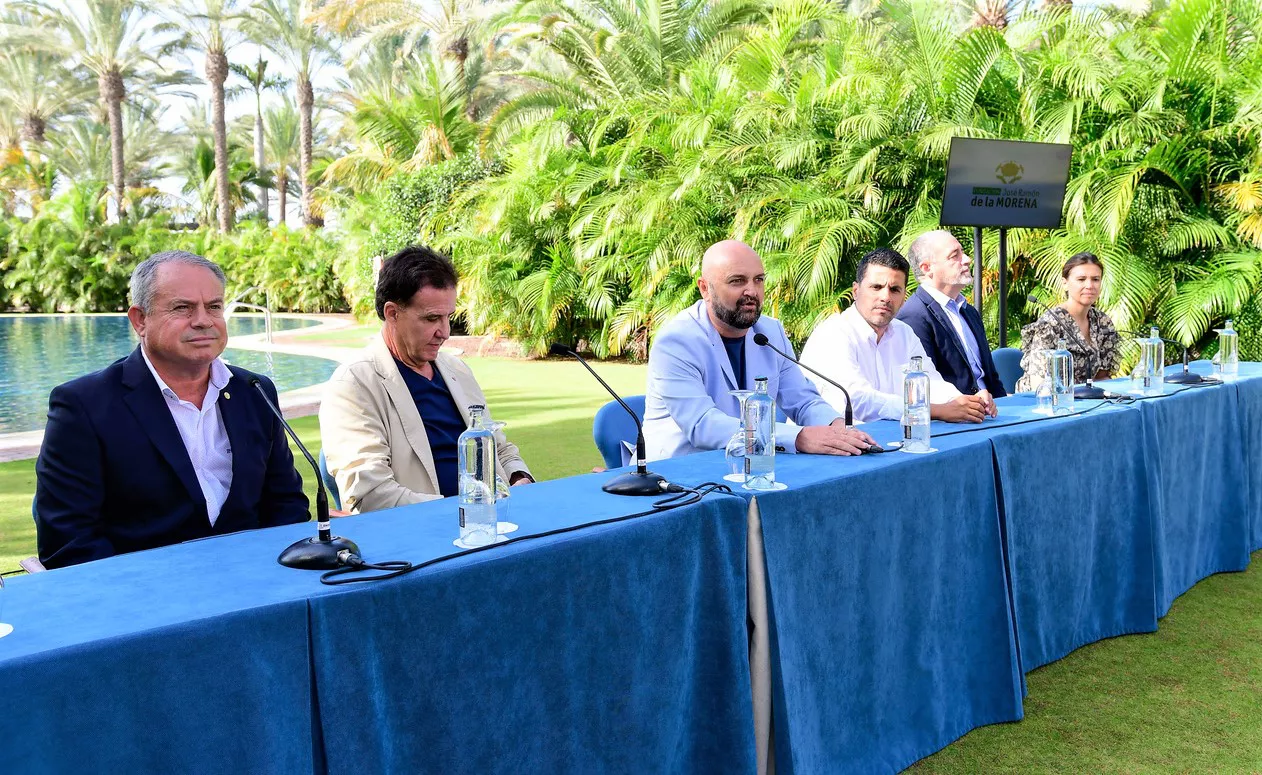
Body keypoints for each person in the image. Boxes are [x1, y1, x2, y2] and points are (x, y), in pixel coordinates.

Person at [34, 251, 310, 569]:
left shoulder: (255, 391)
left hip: (256, 583)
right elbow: (70, 543)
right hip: (145, 601)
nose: (203, 320)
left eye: (214, 306)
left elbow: (287, 505)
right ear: (140, 320)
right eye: (183, 307)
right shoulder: (84, 406)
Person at [319, 245, 533, 514]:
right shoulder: (353, 384)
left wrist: (519, 478)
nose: (444, 332)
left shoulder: (457, 370)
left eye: (448, 317)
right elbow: (369, 495)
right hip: (422, 538)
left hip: (492, 521)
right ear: (392, 314)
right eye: (432, 318)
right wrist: (466, 508)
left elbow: (499, 448)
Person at [643, 240, 877, 460]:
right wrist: (798, 437)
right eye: (737, 281)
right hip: (680, 475)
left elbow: (803, 400)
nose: (752, 291)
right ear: (705, 289)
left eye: (759, 280)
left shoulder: (770, 332)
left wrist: (836, 427)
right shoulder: (677, 341)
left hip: (753, 464)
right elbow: (702, 425)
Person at [799, 248, 996, 423]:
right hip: (831, 449)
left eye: (894, 290)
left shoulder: (904, 333)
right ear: (856, 291)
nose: (885, 297)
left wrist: (966, 403)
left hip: (886, 443)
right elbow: (858, 401)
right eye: (876, 287)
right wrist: (937, 411)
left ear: (903, 298)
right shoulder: (833, 333)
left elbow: (931, 383)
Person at [897, 230, 1007, 400]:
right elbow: (927, 385)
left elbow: (991, 377)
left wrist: (1006, 409)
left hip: (992, 413)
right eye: (955, 255)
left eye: (963, 252)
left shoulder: (968, 311)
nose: (967, 260)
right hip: (955, 419)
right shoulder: (914, 316)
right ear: (927, 268)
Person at [1016, 252, 1122, 392]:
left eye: (1095, 279)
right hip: (1044, 401)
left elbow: (1102, 378)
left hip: (1087, 401)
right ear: (1065, 283)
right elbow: (1038, 383)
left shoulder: (1103, 322)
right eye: (1081, 279)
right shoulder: (1050, 324)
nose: (1089, 285)